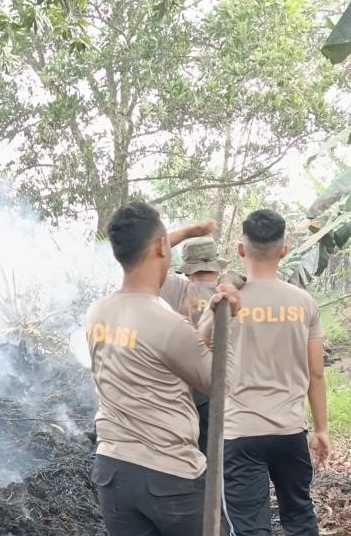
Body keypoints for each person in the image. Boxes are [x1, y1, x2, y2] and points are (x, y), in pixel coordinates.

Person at [86, 201, 241, 536]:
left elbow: (165, 355)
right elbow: (219, 384)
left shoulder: (97, 313)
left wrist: (210, 319)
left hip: (112, 473)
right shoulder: (166, 322)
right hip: (169, 478)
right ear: (160, 246)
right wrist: (231, 322)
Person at [222, 209, 330, 536]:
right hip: (290, 432)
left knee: (250, 529)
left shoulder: (226, 302)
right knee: (299, 518)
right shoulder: (304, 303)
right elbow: (316, 374)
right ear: (284, 250)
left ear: (241, 250)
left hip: (240, 433)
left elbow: (199, 350)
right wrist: (321, 430)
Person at [159, 235, 230, 455]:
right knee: (219, 455)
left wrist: (189, 231)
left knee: (188, 453)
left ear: (188, 270)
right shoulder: (231, 291)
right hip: (224, 384)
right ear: (216, 268)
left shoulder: (176, 287)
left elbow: (147, 254)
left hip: (184, 388)